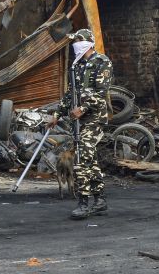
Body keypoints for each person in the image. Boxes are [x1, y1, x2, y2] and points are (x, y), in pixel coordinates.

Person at [47, 29, 113, 220]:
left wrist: (83, 108)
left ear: (90, 43)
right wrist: (57, 114)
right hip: (79, 120)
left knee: (81, 159)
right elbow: (70, 94)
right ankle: (100, 201)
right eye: (75, 41)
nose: (76, 44)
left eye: (80, 41)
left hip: (94, 118)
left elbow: (101, 92)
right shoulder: (76, 66)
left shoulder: (102, 62)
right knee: (89, 160)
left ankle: (83, 203)